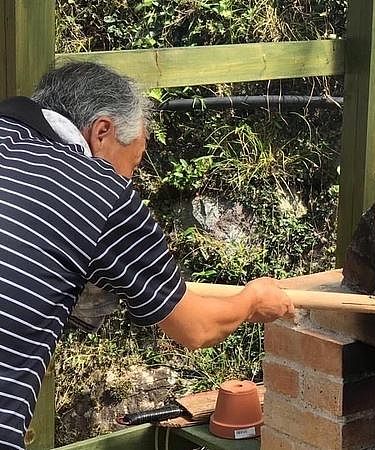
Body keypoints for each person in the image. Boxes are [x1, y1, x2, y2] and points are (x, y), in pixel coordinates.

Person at [0, 61, 293, 449]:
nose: (128, 180)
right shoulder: (99, 192)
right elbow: (197, 327)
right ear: (102, 131)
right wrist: (253, 300)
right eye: (132, 164)